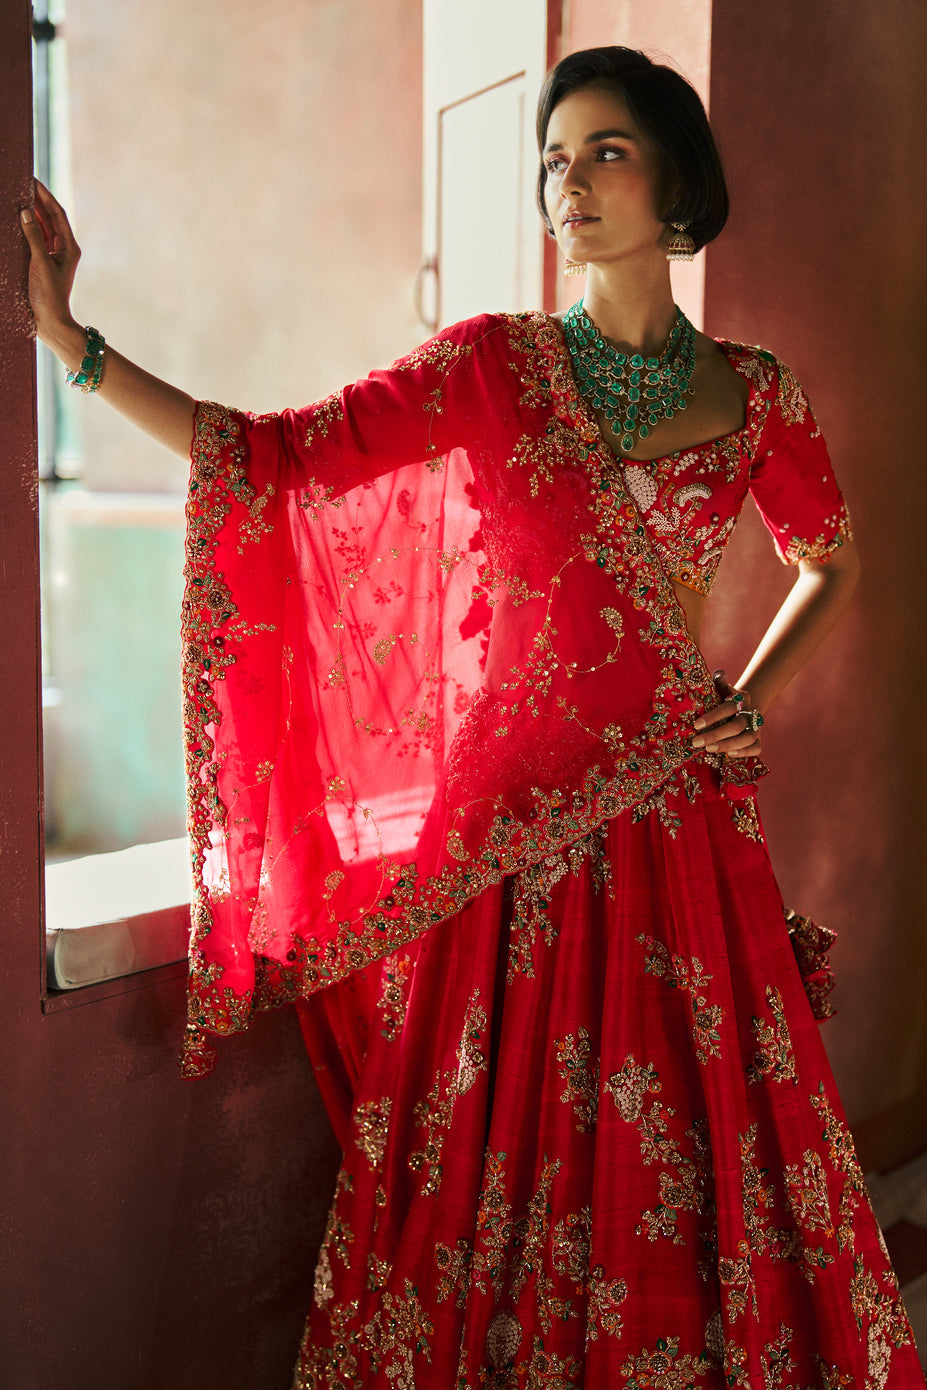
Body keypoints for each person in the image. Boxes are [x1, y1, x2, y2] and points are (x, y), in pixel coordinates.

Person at [22, 43, 923, 1390]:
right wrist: (72, 347)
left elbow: (830, 562)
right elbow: (273, 458)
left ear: (678, 178)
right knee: (487, 1157)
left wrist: (748, 697)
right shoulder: (495, 367)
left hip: (677, 828)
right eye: (553, 161)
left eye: (606, 151)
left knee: (689, 1152)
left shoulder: (756, 392)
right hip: (506, 833)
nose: (570, 185)